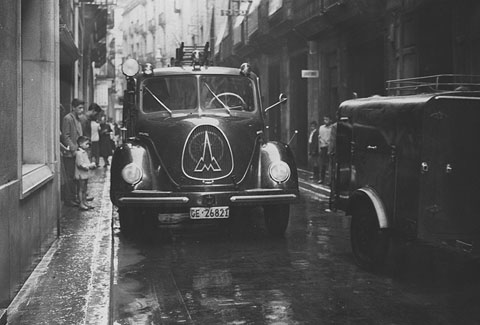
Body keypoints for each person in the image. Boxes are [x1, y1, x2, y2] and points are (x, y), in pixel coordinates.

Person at [62, 98, 85, 206]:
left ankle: (75, 196)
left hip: (77, 152)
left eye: (82, 108)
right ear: (73, 108)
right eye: (79, 108)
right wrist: (73, 149)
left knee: (76, 177)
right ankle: (68, 199)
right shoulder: (68, 118)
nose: (82, 110)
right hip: (70, 153)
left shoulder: (77, 119)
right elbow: (65, 136)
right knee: (69, 177)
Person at [74, 136, 96, 210]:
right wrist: (89, 166)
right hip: (80, 174)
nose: (88, 145)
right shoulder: (79, 153)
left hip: (85, 174)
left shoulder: (84, 152)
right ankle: (81, 203)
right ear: (80, 144)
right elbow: (80, 164)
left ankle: (85, 201)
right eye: (86, 143)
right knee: (81, 189)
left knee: (85, 189)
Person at [318, 116, 333, 184]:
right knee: (322, 164)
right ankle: (322, 179)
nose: (325, 121)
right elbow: (319, 137)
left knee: (330, 164)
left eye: (327, 119)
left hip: (330, 147)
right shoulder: (321, 128)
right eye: (324, 119)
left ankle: (330, 180)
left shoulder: (333, 127)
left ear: (330, 120)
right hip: (323, 147)